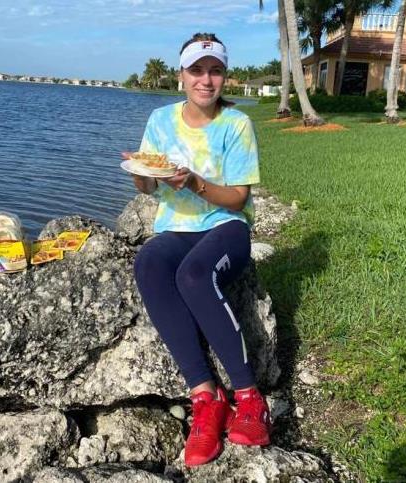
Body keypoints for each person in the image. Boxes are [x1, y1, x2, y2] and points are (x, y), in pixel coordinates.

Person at [124, 33, 271, 467]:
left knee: (194, 275)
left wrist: (193, 182)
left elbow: (238, 199)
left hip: (226, 227)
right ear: (181, 76)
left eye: (215, 70)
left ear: (225, 76)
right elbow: (148, 185)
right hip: (177, 228)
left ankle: (249, 397)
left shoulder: (236, 125)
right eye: (197, 70)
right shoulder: (160, 119)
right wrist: (140, 172)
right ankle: (206, 397)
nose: (206, 80)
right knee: (150, 261)